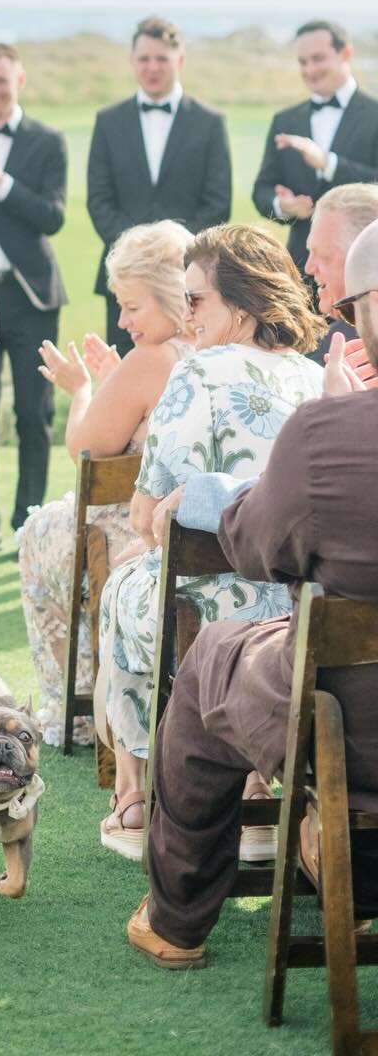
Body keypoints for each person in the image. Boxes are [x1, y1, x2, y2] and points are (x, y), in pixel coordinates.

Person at [129, 217, 378, 968]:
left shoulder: (328, 431)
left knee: (212, 656)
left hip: (355, 735)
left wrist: (327, 421)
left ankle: (178, 921)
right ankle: (336, 861)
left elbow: (257, 546)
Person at [94, 224, 325, 857]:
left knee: (125, 584)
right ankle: (256, 786)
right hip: (299, 604)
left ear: (245, 306)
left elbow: (148, 515)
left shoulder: (200, 374)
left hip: (210, 604)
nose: (187, 314)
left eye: (197, 301)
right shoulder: (315, 380)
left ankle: (135, 794)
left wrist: (153, 527)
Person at [17, 220, 190, 743]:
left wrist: (82, 390)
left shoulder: (152, 359)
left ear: (170, 297)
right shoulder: (203, 351)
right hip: (183, 526)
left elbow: (85, 451)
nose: (122, 319)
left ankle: (77, 705)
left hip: (132, 533)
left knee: (39, 530)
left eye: (133, 307)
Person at [0, 42, 67, 558]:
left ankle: (30, 520)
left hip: (32, 297)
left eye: (1, 82)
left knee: (33, 411)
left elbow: (52, 217)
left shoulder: (47, 141)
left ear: (18, 81)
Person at [86, 18, 231, 353]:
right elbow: (99, 200)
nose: (152, 67)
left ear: (179, 61)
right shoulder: (108, 121)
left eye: (161, 59)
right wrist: (136, 259)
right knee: (121, 378)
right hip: (124, 282)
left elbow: (217, 202)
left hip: (188, 280)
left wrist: (177, 261)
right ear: (132, 61)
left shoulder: (210, 123)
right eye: (144, 59)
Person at [253, 20, 378, 287]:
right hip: (301, 269)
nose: (310, 70)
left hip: (365, 269)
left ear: (345, 53)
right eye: (303, 62)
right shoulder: (284, 120)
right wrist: (282, 206)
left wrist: (328, 164)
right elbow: (261, 189)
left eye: (318, 59)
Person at [303, 182, 378, 386]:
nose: (309, 268)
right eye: (310, 252)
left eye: (324, 256)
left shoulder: (341, 350)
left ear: (362, 252)